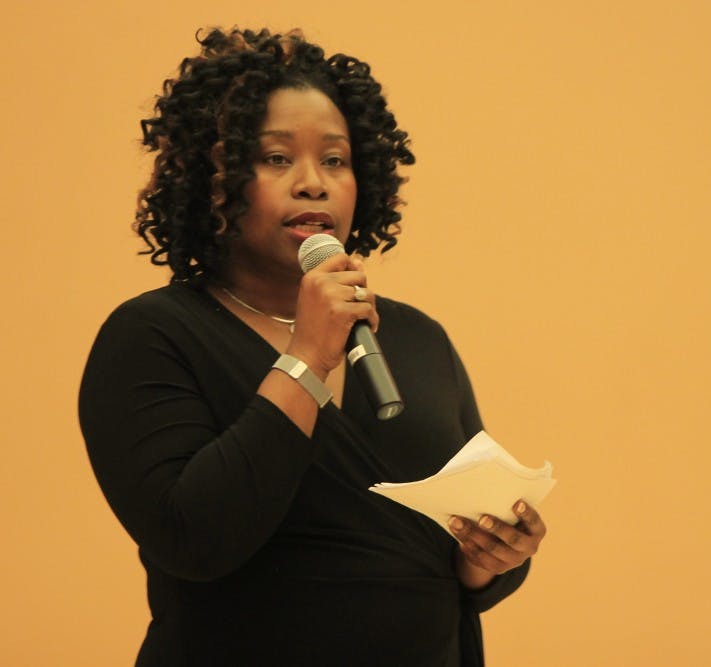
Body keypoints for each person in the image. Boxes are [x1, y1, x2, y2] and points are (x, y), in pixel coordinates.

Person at [78, 27, 546, 666]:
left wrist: (488, 557)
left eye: (335, 160)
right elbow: (194, 538)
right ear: (213, 179)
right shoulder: (153, 336)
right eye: (276, 159)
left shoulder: (418, 339)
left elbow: (448, 566)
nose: (312, 183)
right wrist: (307, 357)